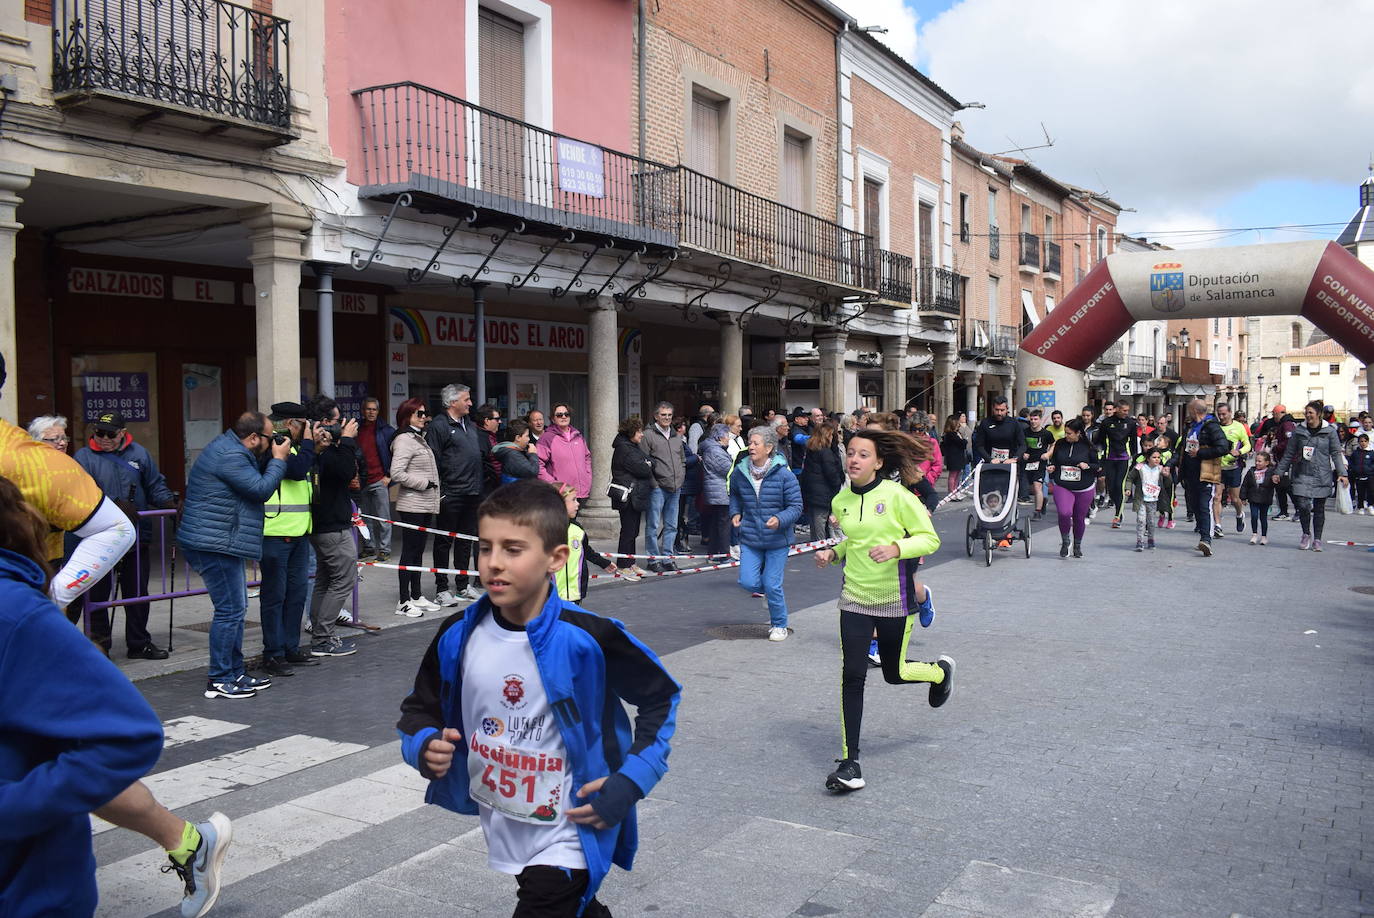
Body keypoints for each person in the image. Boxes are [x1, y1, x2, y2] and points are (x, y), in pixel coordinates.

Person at [0, 357, 230, 917]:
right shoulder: (59, 457)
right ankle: (188, 842)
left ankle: (188, 842)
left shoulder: (34, 462)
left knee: (66, 747)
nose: (93, 436)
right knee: (54, 749)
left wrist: (49, 605)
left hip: (23, 623)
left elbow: (118, 525)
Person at [396, 479, 681, 918]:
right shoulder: (457, 635)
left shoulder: (589, 636)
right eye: (485, 547)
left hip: (573, 825)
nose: (493, 564)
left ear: (556, 558)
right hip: (507, 816)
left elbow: (661, 698)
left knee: (547, 903)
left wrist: (632, 778)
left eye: (513, 549)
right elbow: (420, 707)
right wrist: (422, 744)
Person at [812, 429, 952, 794]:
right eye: (851, 453)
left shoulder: (897, 496)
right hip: (855, 598)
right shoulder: (841, 499)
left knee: (894, 672)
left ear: (878, 462)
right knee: (852, 676)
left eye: (863, 454)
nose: (854, 459)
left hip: (895, 599)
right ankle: (850, 762)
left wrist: (896, 547)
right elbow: (854, 542)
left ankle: (939, 672)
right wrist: (834, 553)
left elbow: (929, 539)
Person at [179, 411, 289, 698]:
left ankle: (235, 671)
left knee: (235, 609)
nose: (272, 441)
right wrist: (278, 459)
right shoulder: (230, 455)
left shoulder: (232, 449)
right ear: (253, 438)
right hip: (212, 543)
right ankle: (219, 678)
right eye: (268, 437)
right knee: (230, 610)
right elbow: (261, 489)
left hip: (220, 540)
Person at [72, 409, 177, 659]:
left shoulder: (139, 454)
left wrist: (170, 504)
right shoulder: (83, 457)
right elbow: (78, 496)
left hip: (136, 536)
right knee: (97, 596)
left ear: (122, 433)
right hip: (99, 538)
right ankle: (99, 646)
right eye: (99, 433)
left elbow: (154, 486)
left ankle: (139, 643)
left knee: (137, 594)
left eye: (110, 434)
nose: (104, 438)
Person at [256, 402, 322, 676]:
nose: (306, 430)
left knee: (295, 594)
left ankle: (291, 648)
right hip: (275, 534)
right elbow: (294, 471)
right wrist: (309, 444)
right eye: (304, 425)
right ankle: (273, 653)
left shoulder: (294, 448)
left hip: (298, 533)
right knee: (275, 596)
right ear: (291, 423)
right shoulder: (274, 445)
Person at [729, 425, 804, 642]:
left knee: (772, 584)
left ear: (769, 447)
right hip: (750, 537)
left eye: (755, 443)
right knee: (747, 582)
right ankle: (769, 594)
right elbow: (734, 495)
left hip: (777, 540)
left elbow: (796, 506)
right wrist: (735, 512)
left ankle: (779, 624)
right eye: (749, 442)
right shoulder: (740, 472)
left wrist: (780, 519)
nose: (750, 447)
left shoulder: (784, 475)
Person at [428, 383, 486, 606]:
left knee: (465, 541)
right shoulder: (439, 426)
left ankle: (462, 585)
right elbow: (433, 460)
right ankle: (442, 588)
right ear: (453, 402)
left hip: (472, 492)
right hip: (450, 494)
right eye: (466, 399)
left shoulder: (469, 425)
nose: (470, 403)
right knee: (444, 541)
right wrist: (441, 491)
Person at [389, 398, 443, 617]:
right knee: (409, 552)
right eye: (418, 414)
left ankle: (417, 594)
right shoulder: (404, 439)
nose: (424, 417)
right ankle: (403, 600)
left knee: (419, 551)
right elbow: (397, 473)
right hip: (412, 503)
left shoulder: (419, 438)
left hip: (425, 504)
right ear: (407, 416)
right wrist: (424, 484)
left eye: (425, 413)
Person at [1274, 399, 1349, 552]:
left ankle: (1318, 539)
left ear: (1319, 414)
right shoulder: (1299, 431)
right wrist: (1279, 472)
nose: (1307, 416)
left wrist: (1342, 473)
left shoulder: (1330, 432)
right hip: (1302, 473)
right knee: (1303, 506)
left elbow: (1336, 453)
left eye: (1311, 413)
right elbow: (1289, 454)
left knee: (1319, 508)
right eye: (1306, 413)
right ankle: (1306, 533)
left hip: (1322, 474)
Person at [1178, 398, 1230, 557]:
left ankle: (1206, 539)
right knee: (1194, 506)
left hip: (1206, 472)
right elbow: (1184, 449)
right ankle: (1202, 534)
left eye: (1189, 411)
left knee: (1203, 505)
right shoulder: (1191, 427)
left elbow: (1223, 447)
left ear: (1195, 411)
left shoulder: (1211, 426)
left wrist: (1200, 453)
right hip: (1191, 474)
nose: (1188, 414)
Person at [1046, 418, 1101, 558]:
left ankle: (1077, 545)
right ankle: (1065, 541)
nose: (1066, 436)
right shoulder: (1060, 444)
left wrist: (1087, 466)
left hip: (1084, 487)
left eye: (1069, 433)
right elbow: (1054, 460)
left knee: (1079, 518)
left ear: (1078, 433)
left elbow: (1099, 467)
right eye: (1065, 432)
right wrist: (1052, 466)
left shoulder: (1088, 447)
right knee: (1064, 513)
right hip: (1063, 485)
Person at [552, 483, 618, 601]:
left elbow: (586, 550)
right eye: (573, 500)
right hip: (552, 597)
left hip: (575, 592)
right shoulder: (544, 531)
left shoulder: (577, 529)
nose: (578, 503)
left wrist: (603, 563)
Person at [641, 402, 685, 572]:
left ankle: (667, 557)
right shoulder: (648, 435)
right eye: (663, 415)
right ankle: (653, 558)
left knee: (672, 525)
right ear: (656, 416)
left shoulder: (676, 436)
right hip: (658, 487)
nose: (667, 418)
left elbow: (682, 459)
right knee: (652, 525)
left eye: (669, 415)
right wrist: (654, 484)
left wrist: (681, 477)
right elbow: (644, 462)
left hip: (675, 487)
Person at [609, 416, 652, 581]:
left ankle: (631, 561)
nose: (641, 435)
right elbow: (644, 469)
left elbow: (650, 462)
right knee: (627, 531)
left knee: (633, 531)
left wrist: (647, 463)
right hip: (628, 496)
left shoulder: (632, 446)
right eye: (639, 431)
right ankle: (623, 565)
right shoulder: (625, 449)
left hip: (635, 495)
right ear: (631, 432)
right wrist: (647, 464)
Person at [355, 397, 395, 562]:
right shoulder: (356, 429)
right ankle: (369, 547)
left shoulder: (386, 431)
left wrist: (388, 476)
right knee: (364, 518)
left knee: (383, 518)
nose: (371, 412)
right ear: (363, 411)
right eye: (368, 409)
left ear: (378, 411)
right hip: (362, 480)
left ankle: (385, 549)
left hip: (380, 479)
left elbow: (396, 455)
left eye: (374, 409)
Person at [536, 403, 593, 500]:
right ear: (553, 419)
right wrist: (554, 484)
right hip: (560, 494)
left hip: (580, 491)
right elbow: (537, 465)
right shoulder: (546, 438)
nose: (563, 417)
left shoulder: (578, 436)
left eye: (566, 414)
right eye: (559, 415)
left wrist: (588, 477)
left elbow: (587, 458)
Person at [801, 420, 845, 541]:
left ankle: (817, 544)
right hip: (823, 493)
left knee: (815, 524)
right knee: (821, 522)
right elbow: (831, 474)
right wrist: (837, 484)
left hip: (812, 491)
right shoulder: (826, 452)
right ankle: (821, 547)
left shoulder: (811, 449)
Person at [1213, 402, 1252, 538]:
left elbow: (1248, 445)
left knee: (1235, 498)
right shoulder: (1215, 427)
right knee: (1217, 497)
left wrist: (1239, 451)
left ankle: (1239, 514)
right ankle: (1217, 525)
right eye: (1219, 414)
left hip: (1233, 466)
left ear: (1230, 413)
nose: (1222, 417)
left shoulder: (1239, 427)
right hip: (1218, 466)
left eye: (1224, 414)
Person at [1098, 401, 1139, 529]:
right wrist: (1100, 457)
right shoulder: (1106, 423)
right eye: (1124, 410)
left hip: (1124, 458)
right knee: (1111, 487)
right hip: (1109, 458)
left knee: (1119, 485)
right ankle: (1117, 506)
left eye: (1127, 410)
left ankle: (1118, 515)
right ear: (1117, 409)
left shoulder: (1131, 423)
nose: (1126, 413)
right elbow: (1100, 441)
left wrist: (1134, 458)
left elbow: (1133, 443)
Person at [698, 422, 735, 557]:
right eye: (727, 436)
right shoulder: (715, 451)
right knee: (723, 524)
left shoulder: (712, 449)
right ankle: (723, 554)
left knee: (716, 523)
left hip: (717, 492)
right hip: (719, 492)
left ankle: (714, 553)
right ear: (719, 437)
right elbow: (728, 470)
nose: (729, 439)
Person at [1124, 447, 1165, 551]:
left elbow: (1168, 483)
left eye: (1158, 457)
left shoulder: (1160, 469)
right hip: (1141, 499)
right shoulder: (1140, 467)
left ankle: (1151, 540)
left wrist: (1167, 476)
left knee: (1151, 521)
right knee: (1141, 520)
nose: (1157, 459)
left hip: (1154, 500)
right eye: (1154, 457)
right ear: (1148, 458)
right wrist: (1128, 489)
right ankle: (1140, 541)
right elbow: (1130, 478)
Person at [1263, 405, 1298, 519]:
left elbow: (1289, 441)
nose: (1274, 417)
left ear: (1278, 413)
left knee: (1286, 486)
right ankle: (1283, 511)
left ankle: (1298, 510)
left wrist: (1276, 447)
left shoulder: (1287, 424)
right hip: (1282, 459)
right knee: (1280, 486)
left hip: (1286, 460)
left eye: (1274, 414)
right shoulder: (1283, 424)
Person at [971, 396, 1024, 467]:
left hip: (1010, 463)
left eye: (1002, 410)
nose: (999, 413)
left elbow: (1023, 444)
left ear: (1007, 409)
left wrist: (1015, 458)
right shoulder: (985, 423)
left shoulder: (1014, 423)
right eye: (997, 410)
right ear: (993, 408)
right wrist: (989, 459)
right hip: (990, 463)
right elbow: (979, 445)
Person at [1020, 408, 1052, 520]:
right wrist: (1023, 453)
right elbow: (1021, 444)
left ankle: (1037, 511)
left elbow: (1053, 445)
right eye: (1031, 419)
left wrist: (1048, 454)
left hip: (1040, 462)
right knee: (1031, 487)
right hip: (1027, 462)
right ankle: (1042, 500)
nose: (1033, 421)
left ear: (1040, 420)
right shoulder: (1025, 432)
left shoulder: (1046, 433)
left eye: (1035, 419)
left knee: (1037, 486)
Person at [1241, 450, 1276, 544]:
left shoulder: (1271, 472)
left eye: (1260, 461)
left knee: (1263, 517)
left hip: (1265, 498)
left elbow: (1275, 484)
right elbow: (1245, 485)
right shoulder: (1251, 471)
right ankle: (1254, 534)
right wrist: (1243, 497)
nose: (1257, 463)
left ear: (1267, 462)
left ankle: (1264, 536)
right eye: (1256, 460)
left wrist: (1276, 480)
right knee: (1254, 516)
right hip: (1253, 497)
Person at [493, 418, 541, 484]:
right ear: (518, 438)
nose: (529, 439)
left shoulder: (511, 451)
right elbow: (532, 472)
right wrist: (533, 454)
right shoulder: (512, 455)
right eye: (527, 436)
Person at [474, 404, 504, 495]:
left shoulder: (490, 436)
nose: (500, 422)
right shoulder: (480, 438)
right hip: (486, 490)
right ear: (487, 421)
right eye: (497, 419)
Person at [940, 414, 968, 499]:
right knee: (953, 475)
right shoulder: (950, 434)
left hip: (958, 457)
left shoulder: (956, 433)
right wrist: (964, 440)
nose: (959, 424)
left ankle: (955, 490)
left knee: (958, 475)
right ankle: (951, 492)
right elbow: (962, 443)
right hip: (953, 457)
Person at [1350, 433, 1374, 513]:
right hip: (1359, 475)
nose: (1363, 443)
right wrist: (1354, 469)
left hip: (1370, 475)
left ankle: (1370, 505)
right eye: (1361, 441)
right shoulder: (1356, 453)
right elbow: (1351, 462)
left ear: (1367, 442)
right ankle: (1361, 507)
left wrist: (1371, 469)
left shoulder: (1371, 453)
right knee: (1360, 492)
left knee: (1371, 490)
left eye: (1365, 441)